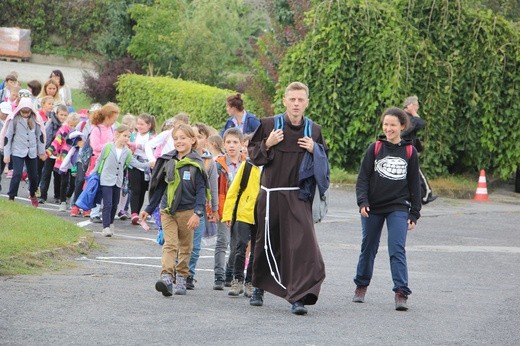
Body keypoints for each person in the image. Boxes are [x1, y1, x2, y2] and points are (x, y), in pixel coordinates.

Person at [247, 81, 327, 315]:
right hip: (271, 195)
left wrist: (315, 150)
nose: (296, 103)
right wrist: (268, 144)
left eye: (300, 100)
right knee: (266, 242)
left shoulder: (314, 131)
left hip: (299, 196)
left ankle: (298, 296)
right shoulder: (269, 125)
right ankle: (258, 287)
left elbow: (324, 167)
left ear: (307, 103)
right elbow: (253, 156)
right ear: (284, 100)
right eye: (292, 99)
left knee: (302, 246)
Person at [352, 107, 421, 311]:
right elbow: (363, 178)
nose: (388, 128)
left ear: (402, 126)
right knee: (368, 247)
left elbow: (414, 184)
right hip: (372, 207)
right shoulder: (374, 148)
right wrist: (362, 202)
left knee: (396, 247)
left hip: (398, 206)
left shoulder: (410, 151)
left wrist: (414, 213)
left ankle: (401, 292)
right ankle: (361, 286)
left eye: (393, 125)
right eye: (386, 124)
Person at [140, 124, 208, 297]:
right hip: (167, 210)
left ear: (192, 140)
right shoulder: (168, 161)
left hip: (188, 211)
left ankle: (183, 276)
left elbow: (201, 191)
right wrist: (148, 209)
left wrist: (197, 213)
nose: (179, 141)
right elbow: (160, 187)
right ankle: (167, 277)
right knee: (170, 244)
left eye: (183, 138)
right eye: (176, 138)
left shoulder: (196, 164)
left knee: (185, 246)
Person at [92, 125, 154, 237]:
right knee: (108, 204)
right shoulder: (108, 147)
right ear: (117, 135)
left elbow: (136, 164)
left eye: (129, 137)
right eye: (124, 135)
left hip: (118, 181)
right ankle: (105, 227)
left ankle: (110, 223)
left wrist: (149, 164)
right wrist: (93, 173)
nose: (126, 138)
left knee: (114, 204)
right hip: (106, 179)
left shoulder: (127, 152)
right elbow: (99, 160)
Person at [221, 134, 260, 298]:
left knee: (257, 250)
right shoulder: (247, 166)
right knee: (241, 246)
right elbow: (233, 190)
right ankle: (237, 279)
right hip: (243, 212)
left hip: (261, 214)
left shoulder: (272, 167)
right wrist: (228, 214)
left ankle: (250, 282)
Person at [187, 123, 219, 290]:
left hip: (199, 209)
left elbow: (213, 187)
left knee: (196, 245)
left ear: (206, 141)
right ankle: (178, 271)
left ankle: (189, 275)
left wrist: (214, 209)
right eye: (193, 136)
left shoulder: (209, 162)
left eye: (200, 137)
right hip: (182, 207)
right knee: (181, 243)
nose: (196, 140)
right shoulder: (182, 157)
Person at [213, 127, 245, 290]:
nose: (232, 146)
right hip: (224, 208)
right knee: (222, 241)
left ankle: (229, 272)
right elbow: (213, 188)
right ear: (224, 144)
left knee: (238, 244)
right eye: (228, 142)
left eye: (235, 142)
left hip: (241, 209)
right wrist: (214, 209)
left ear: (241, 144)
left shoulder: (246, 164)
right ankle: (219, 275)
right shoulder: (218, 164)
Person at [0, 97, 47, 206]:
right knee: (17, 174)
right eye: (23, 112)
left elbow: (40, 136)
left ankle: (32, 193)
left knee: (34, 176)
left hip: (31, 151)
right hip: (17, 151)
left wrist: (41, 152)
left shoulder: (35, 119)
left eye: (28, 112)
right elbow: (8, 137)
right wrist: (6, 154)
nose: (25, 114)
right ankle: (11, 196)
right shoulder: (14, 120)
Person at [401, 95, 437, 204]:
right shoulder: (406, 117)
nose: (417, 108)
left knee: (411, 173)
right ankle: (426, 195)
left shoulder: (405, 116)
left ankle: (413, 195)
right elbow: (414, 126)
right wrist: (413, 112)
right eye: (416, 106)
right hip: (406, 150)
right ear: (410, 105)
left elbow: (421, 123)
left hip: (407, 149)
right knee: (418, 173)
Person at [45, 112, 80, 211]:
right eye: (71, 125)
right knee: (64, 181)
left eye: (74, 125)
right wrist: (48, 152)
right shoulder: (63, 131)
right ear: (67, 123)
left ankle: (68, 196)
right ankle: (63, 201)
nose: (72, 127)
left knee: (73, 183)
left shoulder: (78, 133)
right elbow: (56, 142)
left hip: (74, 160)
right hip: (64, 159)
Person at [128, 113, 156, 225]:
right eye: (138, 124)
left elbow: (150, 147)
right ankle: (134, 213)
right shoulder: (134, 135)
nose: (139, 126)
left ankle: (139, 213)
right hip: (134, 163)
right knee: (135, 189)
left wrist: (136, 145)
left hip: (147, 166)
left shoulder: (152, 137)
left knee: (142, 190)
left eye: (142, 124)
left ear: (149, 125)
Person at [39, 105, 69, 204]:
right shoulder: (50, 123)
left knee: (58, 175)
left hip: (61, 155)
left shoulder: (67, 126)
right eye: (61, 115)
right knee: (46, 174)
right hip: (50, 152)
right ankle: (43, 195)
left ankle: (58, 196)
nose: (63, 117)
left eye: (65, 115)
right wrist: (46, 150)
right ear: (56, 114)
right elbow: (47, 136)